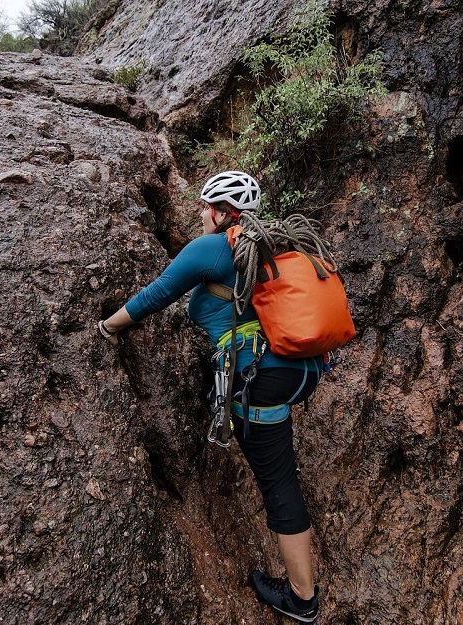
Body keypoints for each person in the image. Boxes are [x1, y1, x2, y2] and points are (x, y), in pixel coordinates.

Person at [98, 171, 321, 623]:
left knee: (278, 483)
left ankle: (302, 599)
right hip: (300, 370)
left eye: (206, 206)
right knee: (279, 466)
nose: (201, 213)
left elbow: (158, 294)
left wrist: (106, 327)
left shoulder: (212, 248)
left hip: (260, 379)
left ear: (222, 213)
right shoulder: (270, 246)